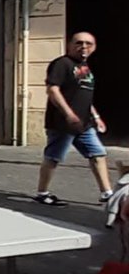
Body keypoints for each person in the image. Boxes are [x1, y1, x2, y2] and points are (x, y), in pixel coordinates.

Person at [35, 32, 114, 207]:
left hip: (85, 123)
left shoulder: (85, 67)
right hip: (63, 123)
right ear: (70, 44)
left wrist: (96, 117)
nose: (84, 46)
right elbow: (53, 90)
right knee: (53, 157)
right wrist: (68, 114)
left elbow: (84, 96)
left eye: (88, 43)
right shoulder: (62, 64)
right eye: (79, 43)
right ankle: (42, 192)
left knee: (98, 154)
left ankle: (107, 193)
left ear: (94, 47)